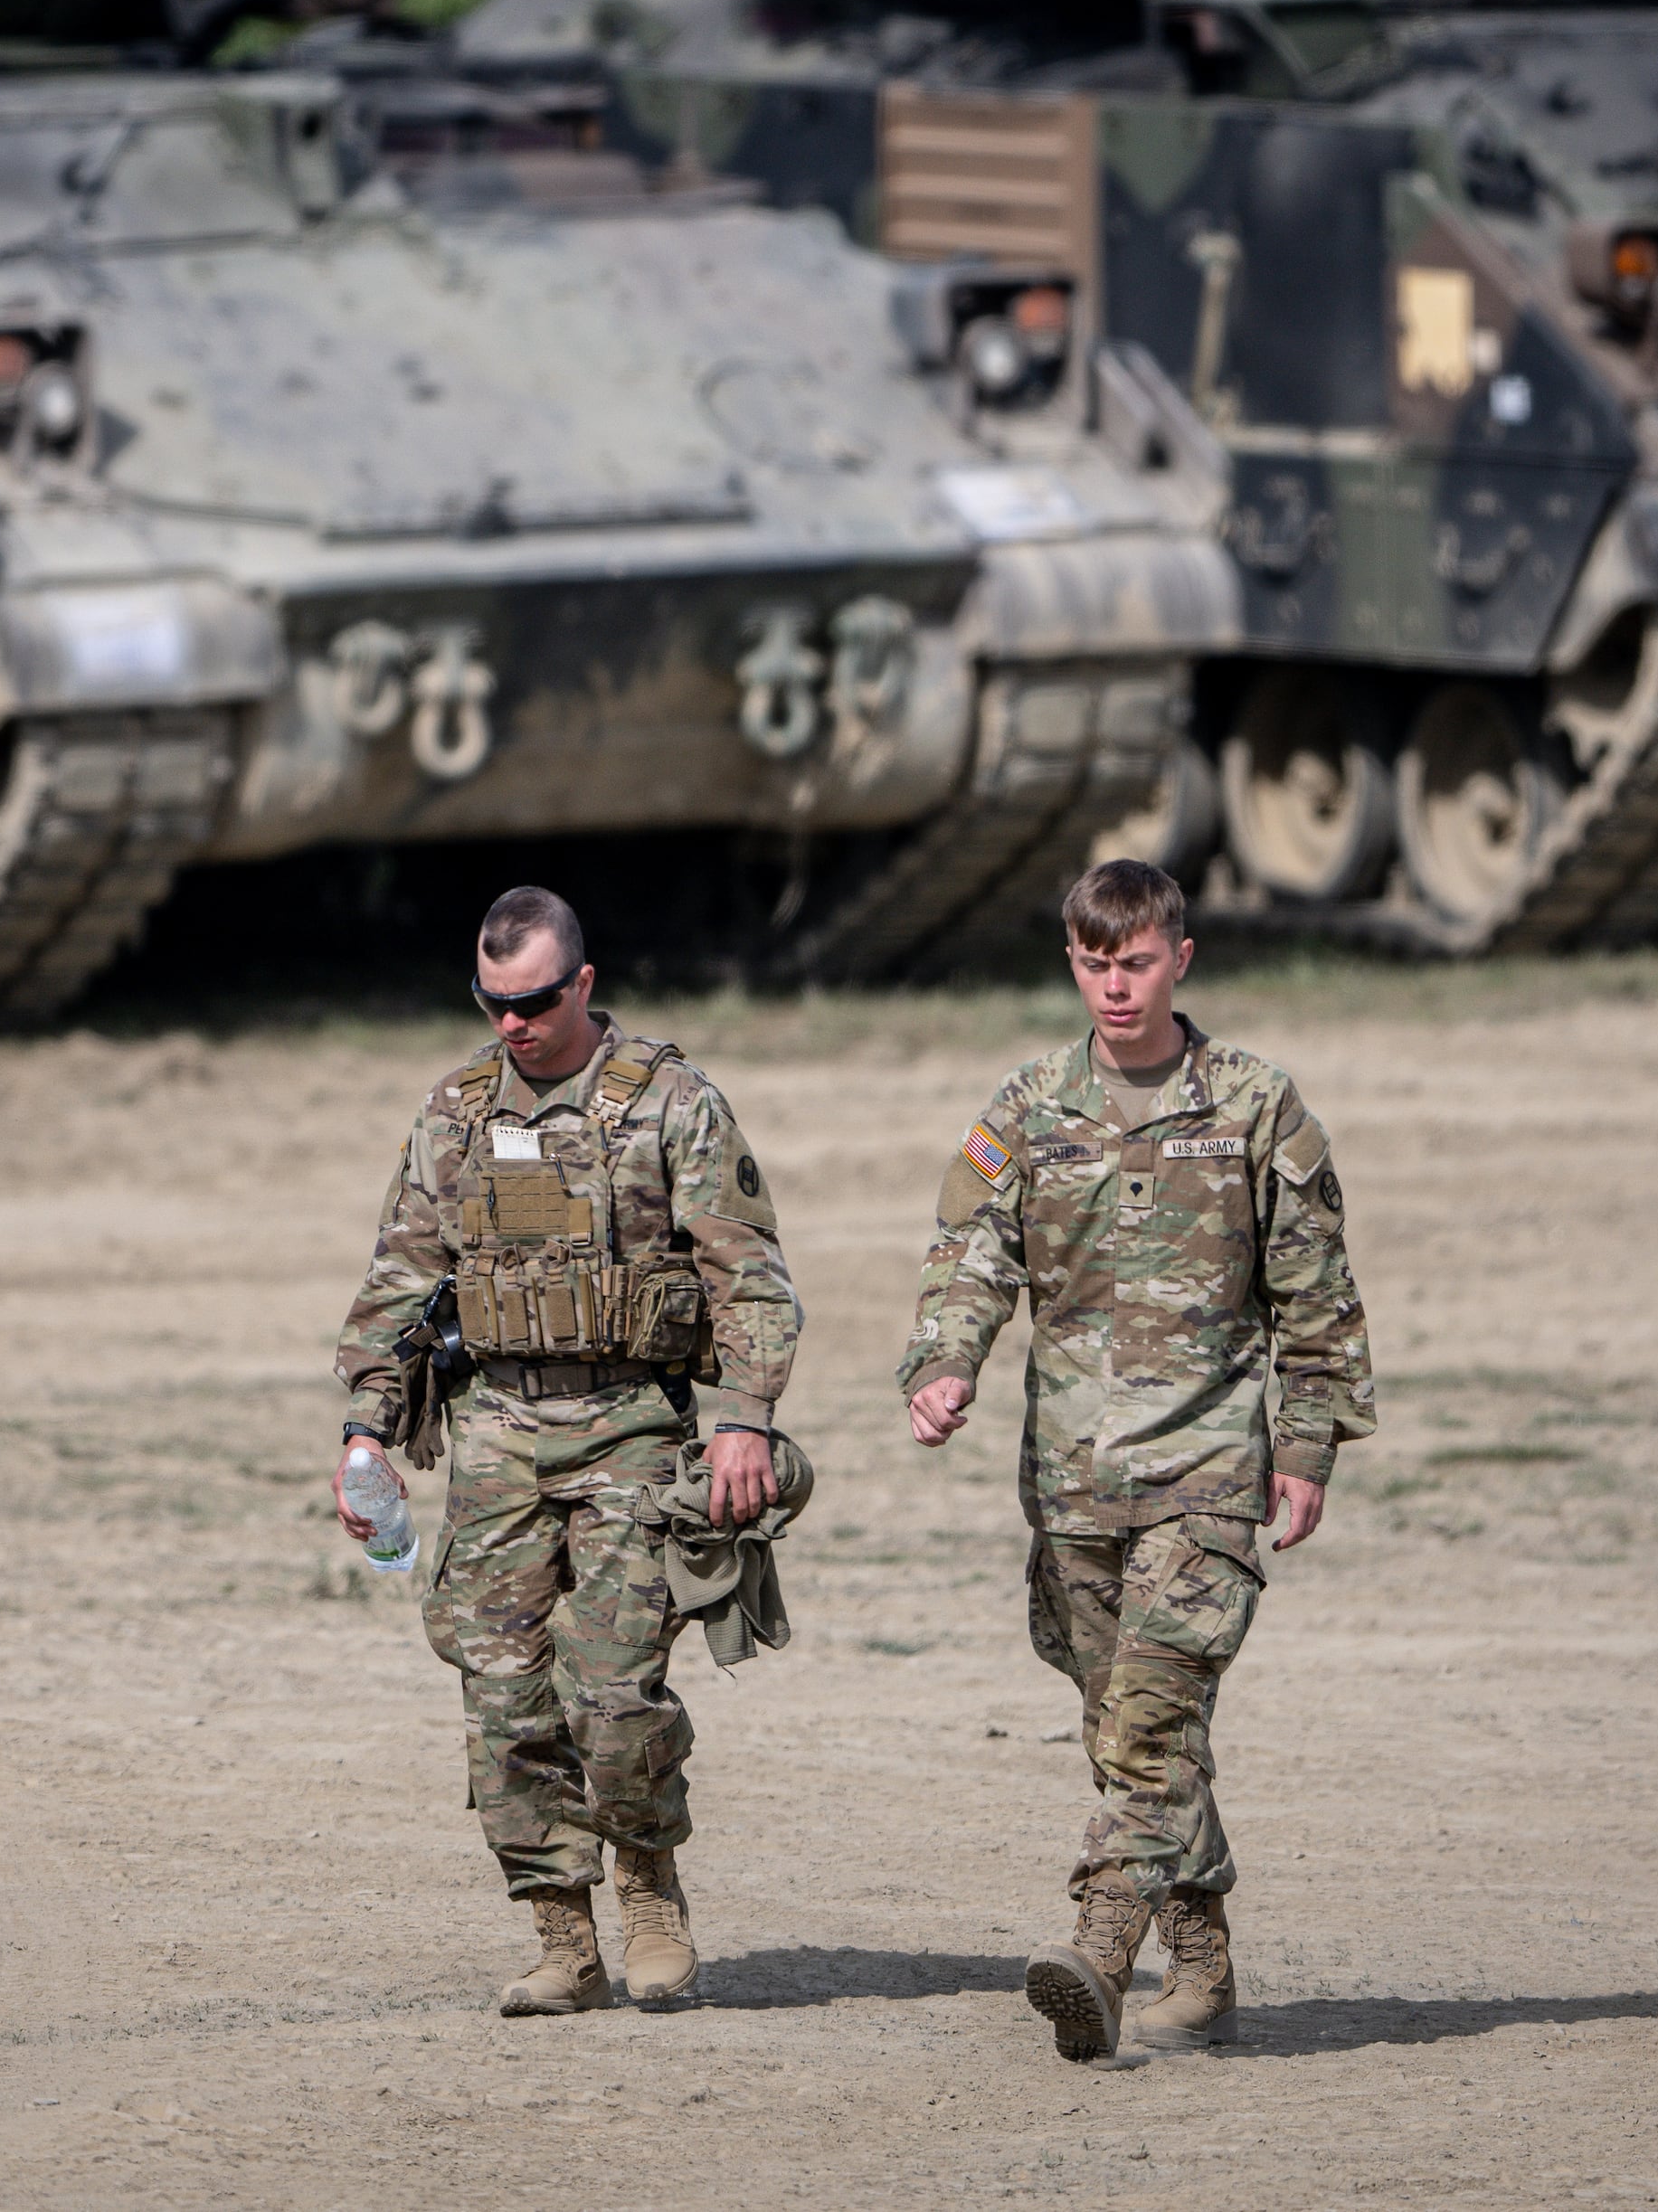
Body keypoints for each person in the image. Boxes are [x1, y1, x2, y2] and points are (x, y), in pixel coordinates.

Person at [896, 857, 1375, 2059]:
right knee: (1129, 1727)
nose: (1118, 985)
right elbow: (969, 1252)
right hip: (1072, 1479)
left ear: (1182, 959)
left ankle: (1102, 1953)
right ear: (1074, 963)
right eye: (1097, 963)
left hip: (1209, 1471)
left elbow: (1315, 1295)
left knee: (1150, 1726)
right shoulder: (1028, 1106)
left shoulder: (1257, 1104)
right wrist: (945, 1362)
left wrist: (1307, 1445)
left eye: (1139, 960)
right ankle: (1203, 1966)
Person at [331, 884, 799, 2015]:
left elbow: (748, 1273)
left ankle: (645, 1887)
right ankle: (557, 1931)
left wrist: (739, 1415)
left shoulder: (669, 1104)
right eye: (491, 1002)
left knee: (613, 1694)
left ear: (581, 984)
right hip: (494, 1436)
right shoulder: (452, 1114)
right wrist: (367, 1432)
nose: (511, 1023)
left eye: (533, 1000)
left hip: (632, 1429)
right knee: (501, 1701)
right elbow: (398, 1284)